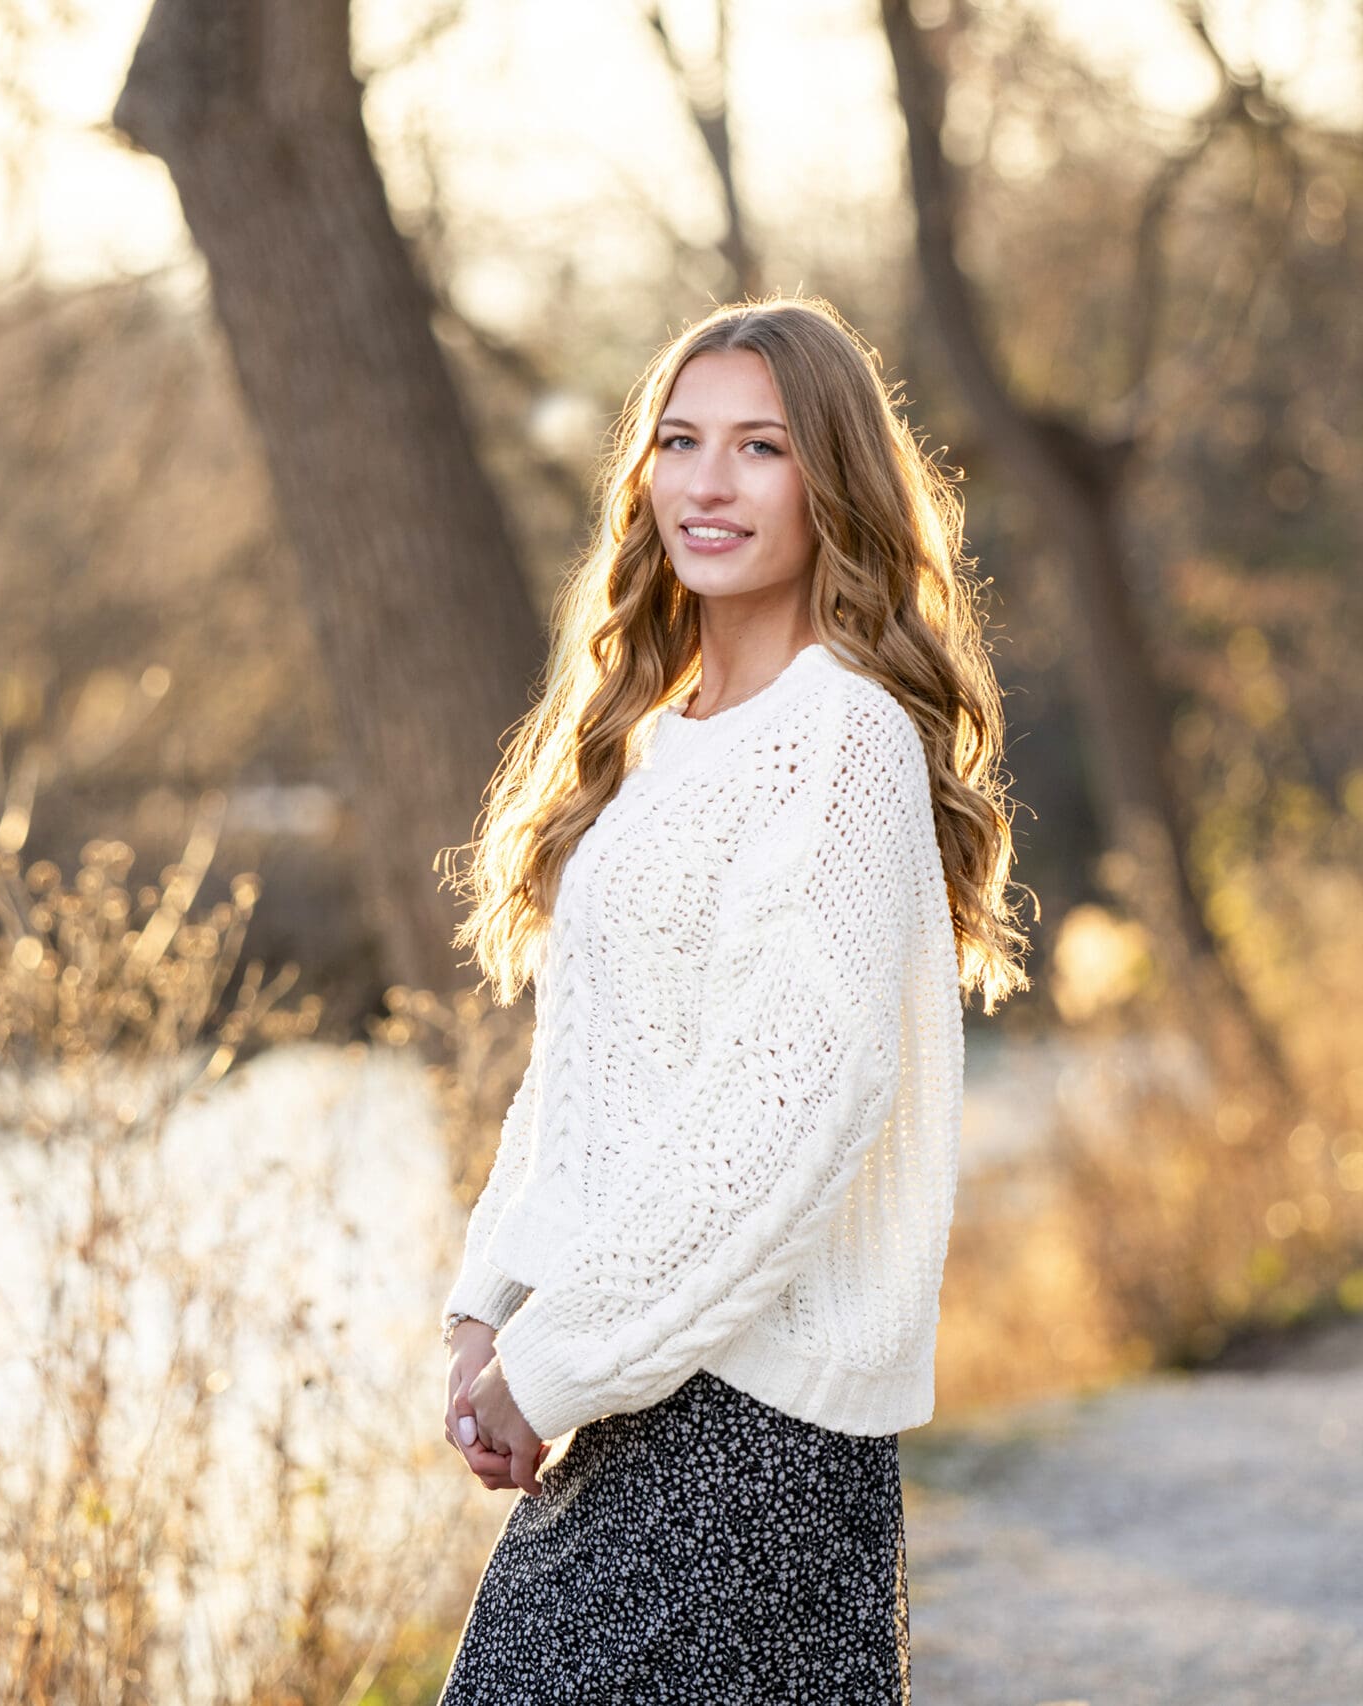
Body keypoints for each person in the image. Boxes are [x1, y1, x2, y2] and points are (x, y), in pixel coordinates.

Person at [432, 294, 1031, 1702]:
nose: (708, 481)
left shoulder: (841, 741)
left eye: (759, 446)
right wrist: (489, 1301)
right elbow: (585, 1068)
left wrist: (553, 1360)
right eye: (681, 439)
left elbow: (786, 1109)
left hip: (753, 1431)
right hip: (629, 1389)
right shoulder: (657, 739)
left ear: (833, 482)